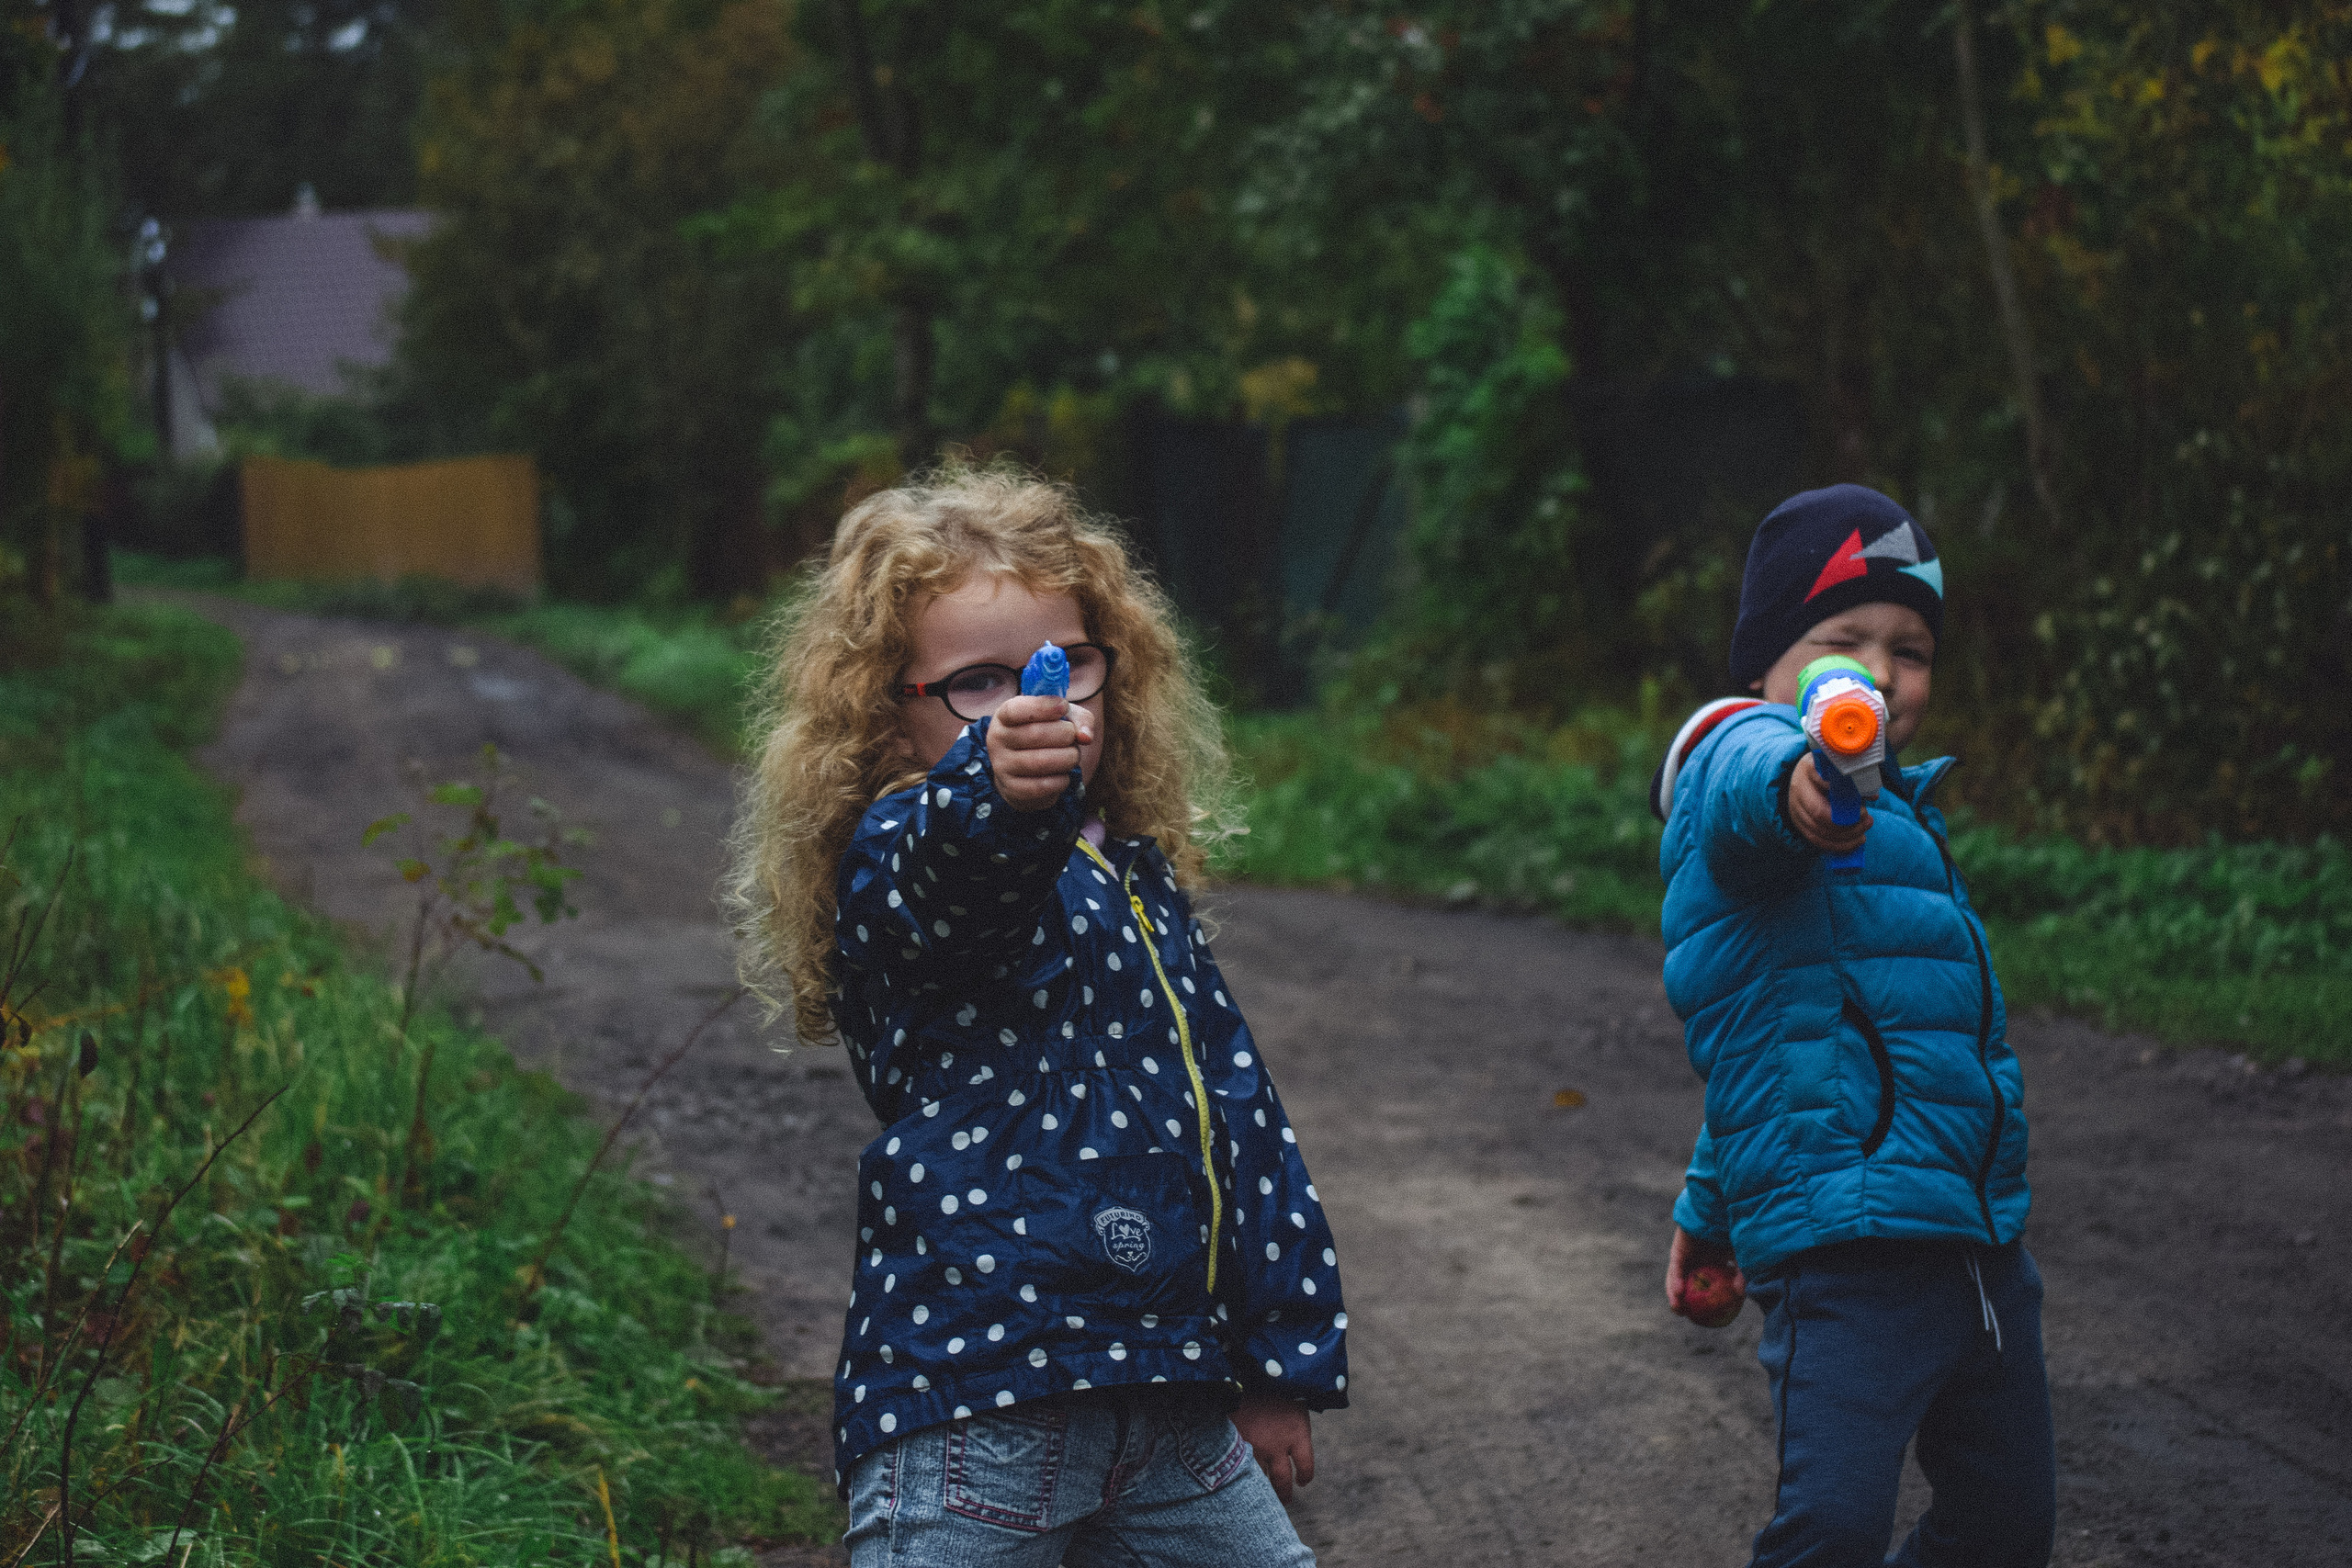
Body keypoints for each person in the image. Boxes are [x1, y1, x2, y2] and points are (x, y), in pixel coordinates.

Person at [729, 468, 1346, 1567]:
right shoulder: (903, 849)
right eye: (977, 685)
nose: (1036, 707)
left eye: (1069, 666)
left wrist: (1278, 1362)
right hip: (980, 1405)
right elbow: (956, 884)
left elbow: (1236, 1123)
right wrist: (994, 798)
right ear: (886, 716)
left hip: (1169, 1406)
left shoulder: (1132, 878)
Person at [1648, 484, 2054, 1568]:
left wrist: (1707, 1207)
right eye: (1840, 643)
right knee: (1830, 1532)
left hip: (1980, 1252)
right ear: (1768, 662)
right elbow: (1753, 786)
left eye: (1906, 648)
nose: (1875, 672)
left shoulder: (1906, 818)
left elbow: (1780, 1047)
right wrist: (1805, 787)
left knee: (2005, 1530)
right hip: (1849, 1259)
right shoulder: (1740, 756)